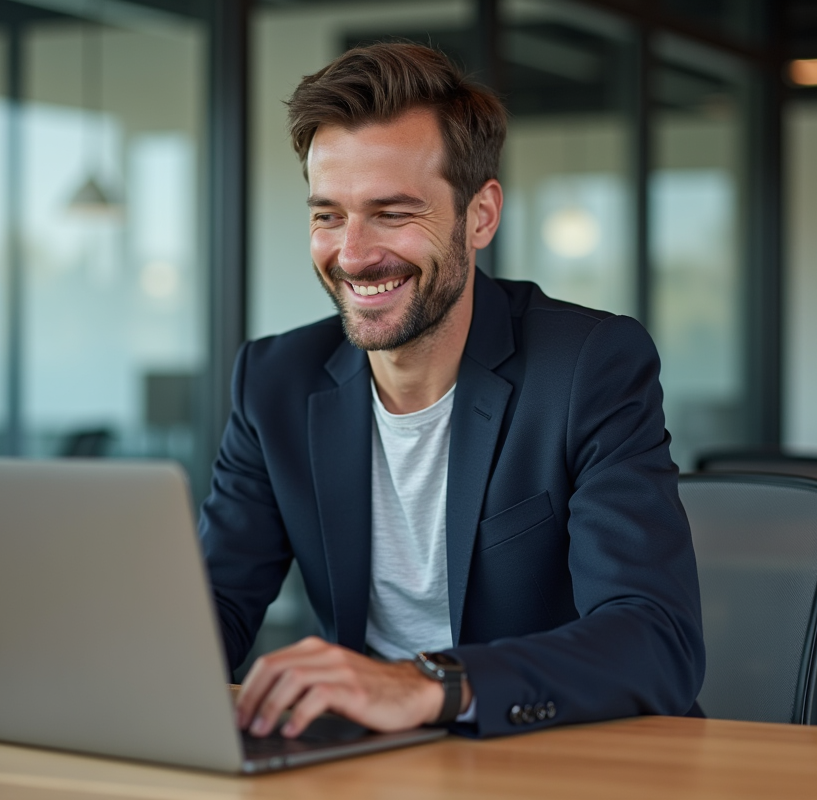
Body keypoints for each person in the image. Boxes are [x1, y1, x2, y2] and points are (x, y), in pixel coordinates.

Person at [199, 41, 704, 740]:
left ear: (480, 216)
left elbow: (655, 640)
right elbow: (213, 608)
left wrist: (428, 684)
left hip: (558, 754)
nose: (353, 253)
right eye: (328, 215)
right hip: (363, 764)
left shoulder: (588, 366)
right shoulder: (273, 381)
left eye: (393, 212)